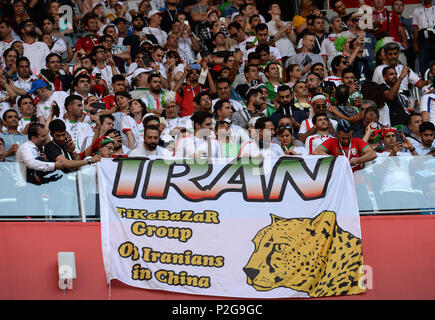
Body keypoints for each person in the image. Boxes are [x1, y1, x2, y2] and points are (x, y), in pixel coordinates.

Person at [413, 0, 435, 77]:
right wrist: (415, 42)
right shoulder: (417, 10)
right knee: (423, 63)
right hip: (423, 40)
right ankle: (426, 83)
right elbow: (415, 28)